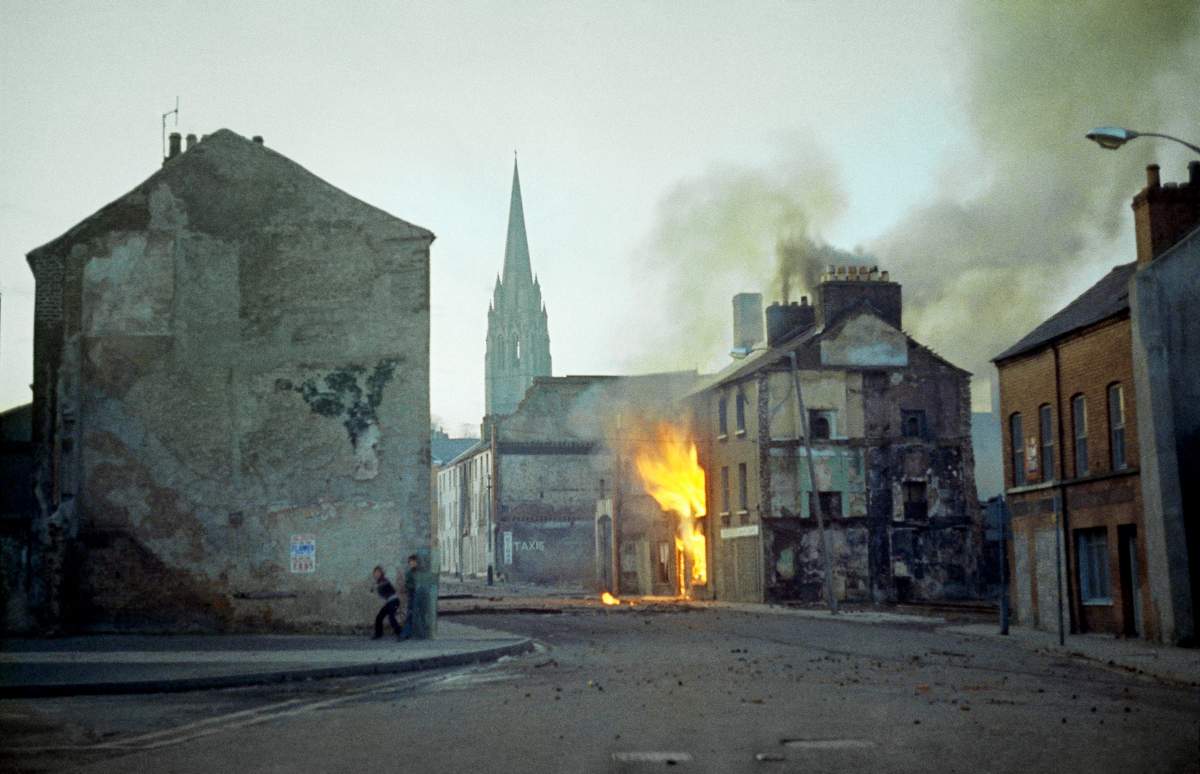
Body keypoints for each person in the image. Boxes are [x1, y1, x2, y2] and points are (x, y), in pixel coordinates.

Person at [370, 565, 403, 640]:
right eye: (375, 573)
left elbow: (384, 584)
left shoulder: (384, 580)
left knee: (391, 617)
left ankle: (400, 634)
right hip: (389, 602)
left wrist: (375, 587)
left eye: (378, 572)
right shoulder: (378, 581)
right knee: (379, 617)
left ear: (381, 573)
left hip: (394, 601)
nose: (377, 574)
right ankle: (378, 634)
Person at [398, 554, 420, 639]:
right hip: (413, 595)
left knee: (418, 615)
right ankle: (405, 634)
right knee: (410, 615)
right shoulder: (409, 573)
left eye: (414, 562)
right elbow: (407, 585)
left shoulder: (420, 572)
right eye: (411, 562)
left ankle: (414, 633)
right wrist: (414, 586)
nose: (412, 563)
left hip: (420, 596)